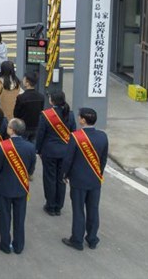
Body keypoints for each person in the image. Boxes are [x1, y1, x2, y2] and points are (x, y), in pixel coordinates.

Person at [62, 107, 108, 251]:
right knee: (93, 209)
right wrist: (98, 173)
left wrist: (65, 174)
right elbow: (103, 159)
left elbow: (68, 160)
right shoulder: (103, 136)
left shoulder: (75, 137)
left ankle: (77, 239)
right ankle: (92, 239)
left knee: (78, 210)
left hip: (78, 180)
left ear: (82, 120)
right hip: (95, 179)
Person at [0, 117, 36, 255]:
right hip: (21, 187)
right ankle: (18, 245)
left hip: (4, 187)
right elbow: (31, 168)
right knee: (20, 217)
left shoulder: (2, 146)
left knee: (5, 217)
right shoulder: (30, 147)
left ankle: (5, 244)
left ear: (12, 130)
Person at [36, 90, 76, 217]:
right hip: (65, 152)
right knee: (61, 179)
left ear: (52, 101)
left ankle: (51, 205)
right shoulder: (70, 114)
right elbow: (73, 133)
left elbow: (40, 134)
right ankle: (59, 206)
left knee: (49, 179)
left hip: (49, 151)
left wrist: (38, 150)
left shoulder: (46, 115)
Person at [13, 72, 45, 139]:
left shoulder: (21, 97)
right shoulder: (41, 97)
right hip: (36, 127)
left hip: (23, 127)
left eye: (24, 79)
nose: (22, 81)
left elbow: (16, 114)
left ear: (27, 83)